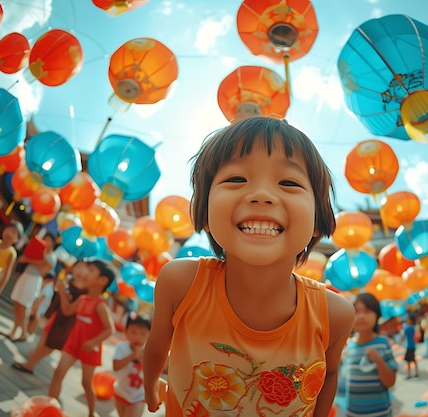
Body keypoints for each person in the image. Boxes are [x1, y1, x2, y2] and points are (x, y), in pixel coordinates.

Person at [142, 117, 355, 417]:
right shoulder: (182, 283)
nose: (262, 195)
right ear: (203, 210)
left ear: (319, 217)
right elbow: (156, 345)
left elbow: (329, 373)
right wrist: (150, 384)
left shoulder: (334, 314)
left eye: (289, 183)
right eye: (236, 179)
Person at [48, 258, 116, 417]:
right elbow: (67, 311)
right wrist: (62, 292)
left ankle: (92, 413)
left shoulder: (100, 305)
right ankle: (49, 407)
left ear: (103, 280)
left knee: (86, 383)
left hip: (90, 349)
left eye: (91, 271)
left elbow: (109, 330)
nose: (85, 273)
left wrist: (93, 342)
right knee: (58, 373)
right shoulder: (83, 299)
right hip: (73, 343)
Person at [12, 260, 88, 375]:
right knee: (43, 340)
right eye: (78, 267)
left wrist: (63, 293)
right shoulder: (68, 281)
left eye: (84, 268)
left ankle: (31, 364)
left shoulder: (85, 291)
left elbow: (69, 309)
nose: (80, 270)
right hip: (56, 315)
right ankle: (30, 364)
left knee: (52, 344)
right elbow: (57, 294)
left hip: (67, 322)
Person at [339, 292, 397, 417]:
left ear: (377, 315)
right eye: (356, 311)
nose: (361, 316)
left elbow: (390, 382)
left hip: (380, 413)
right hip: (352, 413)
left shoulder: (383, 344)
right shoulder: (348, 346)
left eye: (367, 311)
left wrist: (377, 359)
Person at [3, 232, 57, 342]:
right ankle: (14, 330)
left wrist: (31, 260)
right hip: (26, 275)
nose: (46, 241)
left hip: (34, 279)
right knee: (17, 302)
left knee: (23, 305)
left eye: (48, 239)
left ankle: (23, 333)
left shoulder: (52, 257)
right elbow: (23, 259)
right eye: (45, 238)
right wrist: (36, 261)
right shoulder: (39, 251)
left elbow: (43, 269)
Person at [113, 312, 152, 417]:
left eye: (142, 333)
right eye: (133, 332)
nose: (137, 337)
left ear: (149, 335)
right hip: (121, 391)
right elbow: (116, 366)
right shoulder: (122, 347)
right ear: (126, 332)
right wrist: (133, 356)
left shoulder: (149, 352)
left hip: (139, 396)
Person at [27, 272, 55, 336]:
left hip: (39, 308)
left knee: (33, 320)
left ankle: (30, 332)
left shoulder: (48, 288)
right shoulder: (50, 289)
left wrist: (35, 306)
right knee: (33, 320)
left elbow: (42, 298)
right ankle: (30, 332)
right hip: (41, 308)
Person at [403, 314, 419, 378]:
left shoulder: (409, 328)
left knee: (409, 361)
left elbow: (404, 329)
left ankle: (410, 374)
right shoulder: (413, 327)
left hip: (410, 346)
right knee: (413, 360)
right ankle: (415, 372)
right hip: (412, 346)